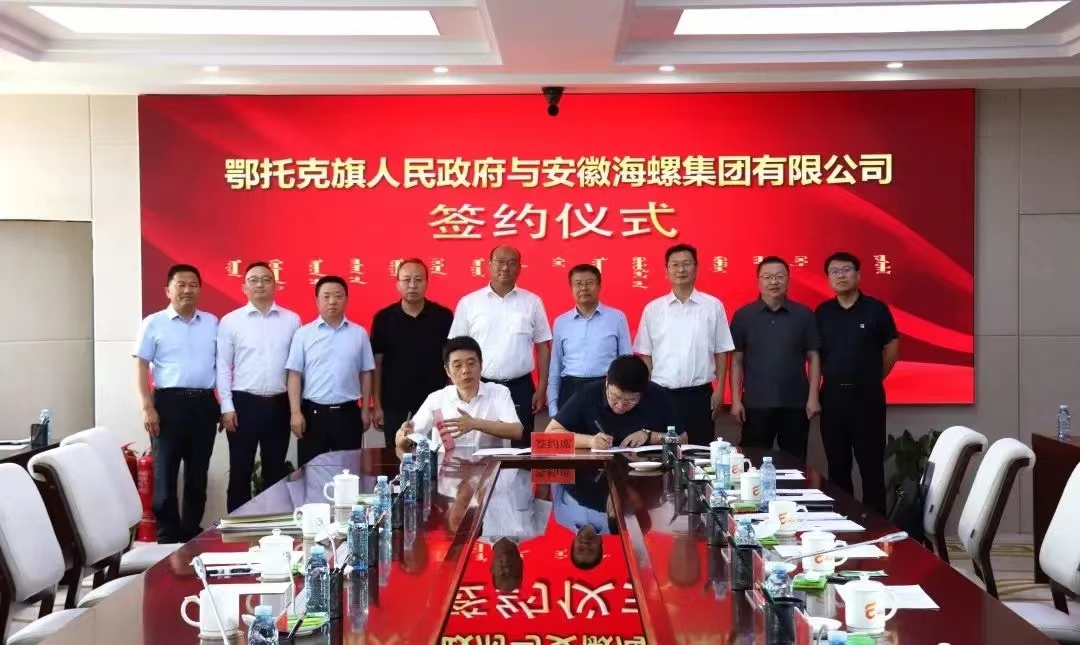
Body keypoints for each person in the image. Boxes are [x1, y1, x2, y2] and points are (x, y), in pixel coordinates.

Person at [132, 264, 219, 543]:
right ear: (167, 290)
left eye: (193, 285)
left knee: (197, 473)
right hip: (168, 405)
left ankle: (191, 533)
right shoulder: (153, 323)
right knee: (165, 472)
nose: (187, 290)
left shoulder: (212, 323)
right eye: (181, 284)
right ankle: (168, 536)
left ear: (200, 290)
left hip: (204, 404)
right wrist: (147, 407)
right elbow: (141, 366)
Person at [815, 252, 899, 514]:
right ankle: (844, 523)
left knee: (871, 466)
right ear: (828, 278)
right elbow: (815, 355)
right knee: (837, 466)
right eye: (835, 271)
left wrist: (872, 377)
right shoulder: (823, 312)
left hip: (868, 398)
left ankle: (877, 527)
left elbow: (891, 347)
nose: (841, 276)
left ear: (858, 275)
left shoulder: (876, 309)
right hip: (832, 398)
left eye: (846, 270)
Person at [217, 261, 302, 512]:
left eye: (266, 279)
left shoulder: (291, 320)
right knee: (240, 470)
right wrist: (226, 406)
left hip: (279, 403)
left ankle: (272, 526)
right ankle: (236, 528)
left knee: (274, 471)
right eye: (253, 280)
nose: (260, 284)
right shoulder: (231, 321)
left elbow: (296, 368)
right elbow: (223, 366)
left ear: (275, 285)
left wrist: (296, 409)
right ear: (244, 287)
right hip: (243, 403)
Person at [449, 245, 552, 448]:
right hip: (480, 386)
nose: (505, 267)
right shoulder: (469, 303)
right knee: (479, 444)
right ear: (489, 265)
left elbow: (543, 347)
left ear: (519, 268)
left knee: (521, 446)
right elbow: (455, 349)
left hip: (520, 387)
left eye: (512, 263)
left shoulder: (532, 302)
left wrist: (541, 389)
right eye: (500, 262)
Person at [634, 244, 734, 446]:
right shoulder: (653, 309)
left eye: (687, 264)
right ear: (666, 271)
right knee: (664, 452)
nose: (681, 269)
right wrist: (647, 392)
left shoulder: (712, 306)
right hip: (662, 394)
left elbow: (722, 351)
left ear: (696, 269)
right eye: (675, 265)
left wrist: (720, 389)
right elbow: (646, 355)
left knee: (700, 451)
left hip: (700, 394)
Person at [730, 256, 821, 462]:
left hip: (796, 404)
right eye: (767, 277)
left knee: (795, 464)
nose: (774, 282)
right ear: (758, 281)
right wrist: (736, 400)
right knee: (752, 463)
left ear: (788, 280)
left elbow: (814, 357)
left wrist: (813, 397)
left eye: (780, 276)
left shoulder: (804, 315)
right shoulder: (743, 316)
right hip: (756, 404)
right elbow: (736, 361)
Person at [286, 275, 375, 467]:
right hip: (313, 415)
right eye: (326, 296)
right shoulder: (303, 334)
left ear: (346, 299)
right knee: (311, 472)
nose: (332, 301)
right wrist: (295, 412)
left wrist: (365, 409)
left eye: (338, 296)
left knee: (349, 471)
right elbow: (294, 375)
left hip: (348, 414)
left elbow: (366, 373)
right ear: (317, 301)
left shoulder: (359, 333)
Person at [370, 258, 453, 448]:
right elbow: (377, 365)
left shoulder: (443, 316)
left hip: (435, 403)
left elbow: (451, 362)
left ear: (427, 282)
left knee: (436, 457)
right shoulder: (383, 318)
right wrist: (378, 405)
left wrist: (451, 400)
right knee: (398, 456)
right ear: (398, 284)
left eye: (418, 279)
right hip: (395, 406)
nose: (413, 285)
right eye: (407, 280)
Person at [395, 336, 523, 452]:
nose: (465, 370)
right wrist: (404, 436)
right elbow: (406, 437)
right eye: (457, 366)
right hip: (448, 467)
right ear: (447, 371)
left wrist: (475, 424)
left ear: (481, 365)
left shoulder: (499, 392)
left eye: (471, 363)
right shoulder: (436, 399)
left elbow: (517, 431)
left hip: (493, 467)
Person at [545, 354, 684, 449]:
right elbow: (548, 436)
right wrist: (589, 441)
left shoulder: (657, 394)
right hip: (594, 474)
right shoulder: (588, 394)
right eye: (615, 397)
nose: (620, 406)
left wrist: (649, 436)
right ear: (607, 382)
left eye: (630, 401)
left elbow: (683, 439)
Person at [547, 264, 632, 416]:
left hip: (606, 388)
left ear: (599, 286)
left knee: (605, 431)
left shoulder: (617, 318)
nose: (584, 288)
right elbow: (555, 367)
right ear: (571, 288)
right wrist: (553, 406)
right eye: (578, 283)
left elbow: (626, 362)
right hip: (571, 389)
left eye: (589, 283)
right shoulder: (561, 322)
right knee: (571, 432)